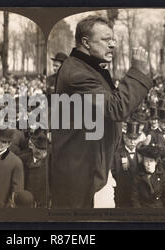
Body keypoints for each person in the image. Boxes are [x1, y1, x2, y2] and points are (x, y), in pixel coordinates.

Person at [51, 15, 153, 208]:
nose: (113, 45)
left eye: (113, 39)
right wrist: (137, 72)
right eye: (106, 39)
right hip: (83, 175)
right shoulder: (77, 73)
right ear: (86, 42)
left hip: (92, 167)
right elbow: (116, 108)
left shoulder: (87, 68)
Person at [17, 130, 50, 208]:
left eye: (42, 149)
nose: (38, 151)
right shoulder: (21, 159)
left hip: (43, 202)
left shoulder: (51, 162)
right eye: (37, 147)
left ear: (46, 150)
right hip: (25, 202)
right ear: (32, 146)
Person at [112, 120, 141, 208]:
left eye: (135, 139)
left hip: (138, 196)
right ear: (124, 138)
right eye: (130, 138)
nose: (132, 142)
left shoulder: (141, 153)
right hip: (121, 195)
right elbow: (113, 173)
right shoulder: (116, 153)